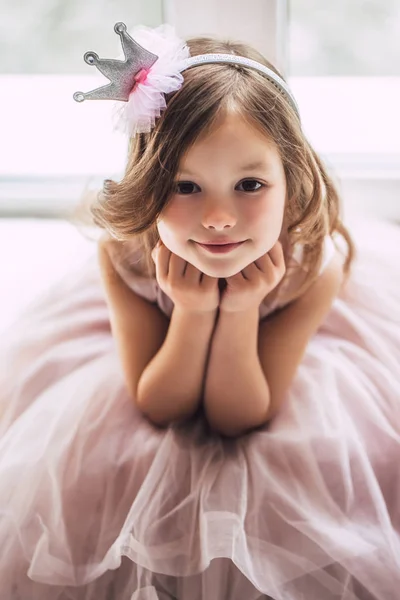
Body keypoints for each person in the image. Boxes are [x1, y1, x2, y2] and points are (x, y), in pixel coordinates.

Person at [0, 21, 399, 600]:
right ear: (148, 182)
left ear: (292, 180)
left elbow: (239, 419)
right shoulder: (128, 257)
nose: (218, 217)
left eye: (250, 184)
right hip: (167, 339)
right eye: (186, 187)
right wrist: (189, 309)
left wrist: (240, 311)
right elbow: (159, 406)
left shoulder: (313, 265)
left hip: (259, 354)